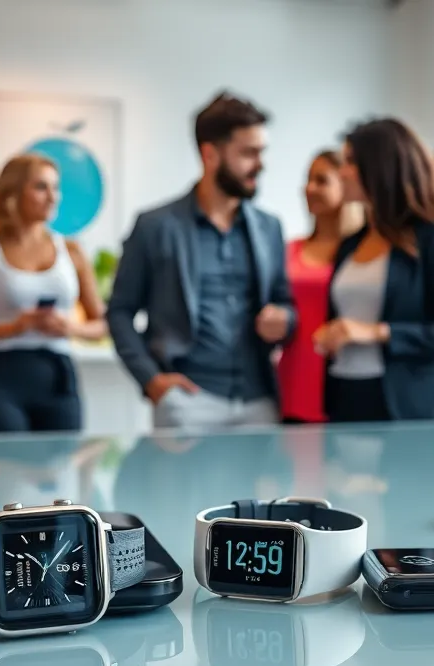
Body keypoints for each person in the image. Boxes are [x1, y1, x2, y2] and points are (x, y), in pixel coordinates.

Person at [107, 92, 295, 430]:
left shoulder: (269, 228)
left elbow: (285, 302)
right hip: (187, 400)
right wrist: (151, 380)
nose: (260, 164)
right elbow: (119, 311)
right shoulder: (155, 226)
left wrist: (285, 318)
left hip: (259, 402)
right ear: (210, 154)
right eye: (248, 153)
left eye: (262, 152)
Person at [315, 118, 434, 423]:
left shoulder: (432, 237)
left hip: (403, 405)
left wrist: (378, 332)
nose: (342, 172)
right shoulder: (349, 244)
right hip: (345, 396)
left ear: (380, 167)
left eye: (350, 162)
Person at [0, 154, 107, 433]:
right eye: (41, 187)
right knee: (7, 458)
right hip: (3, 376)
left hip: (58, 374)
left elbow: (102, 325)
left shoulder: (72, 252)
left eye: (55, 188)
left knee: (61, 457)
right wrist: (13, 328)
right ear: (14, 193)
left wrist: (70, 327)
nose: (52, 197)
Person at [276, 149, 363, 424]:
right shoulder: (289, 250)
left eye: (321, 180)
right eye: (308, 180)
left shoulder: (360, 255)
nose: (310, 188)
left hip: (341, 378)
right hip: (292, 378)